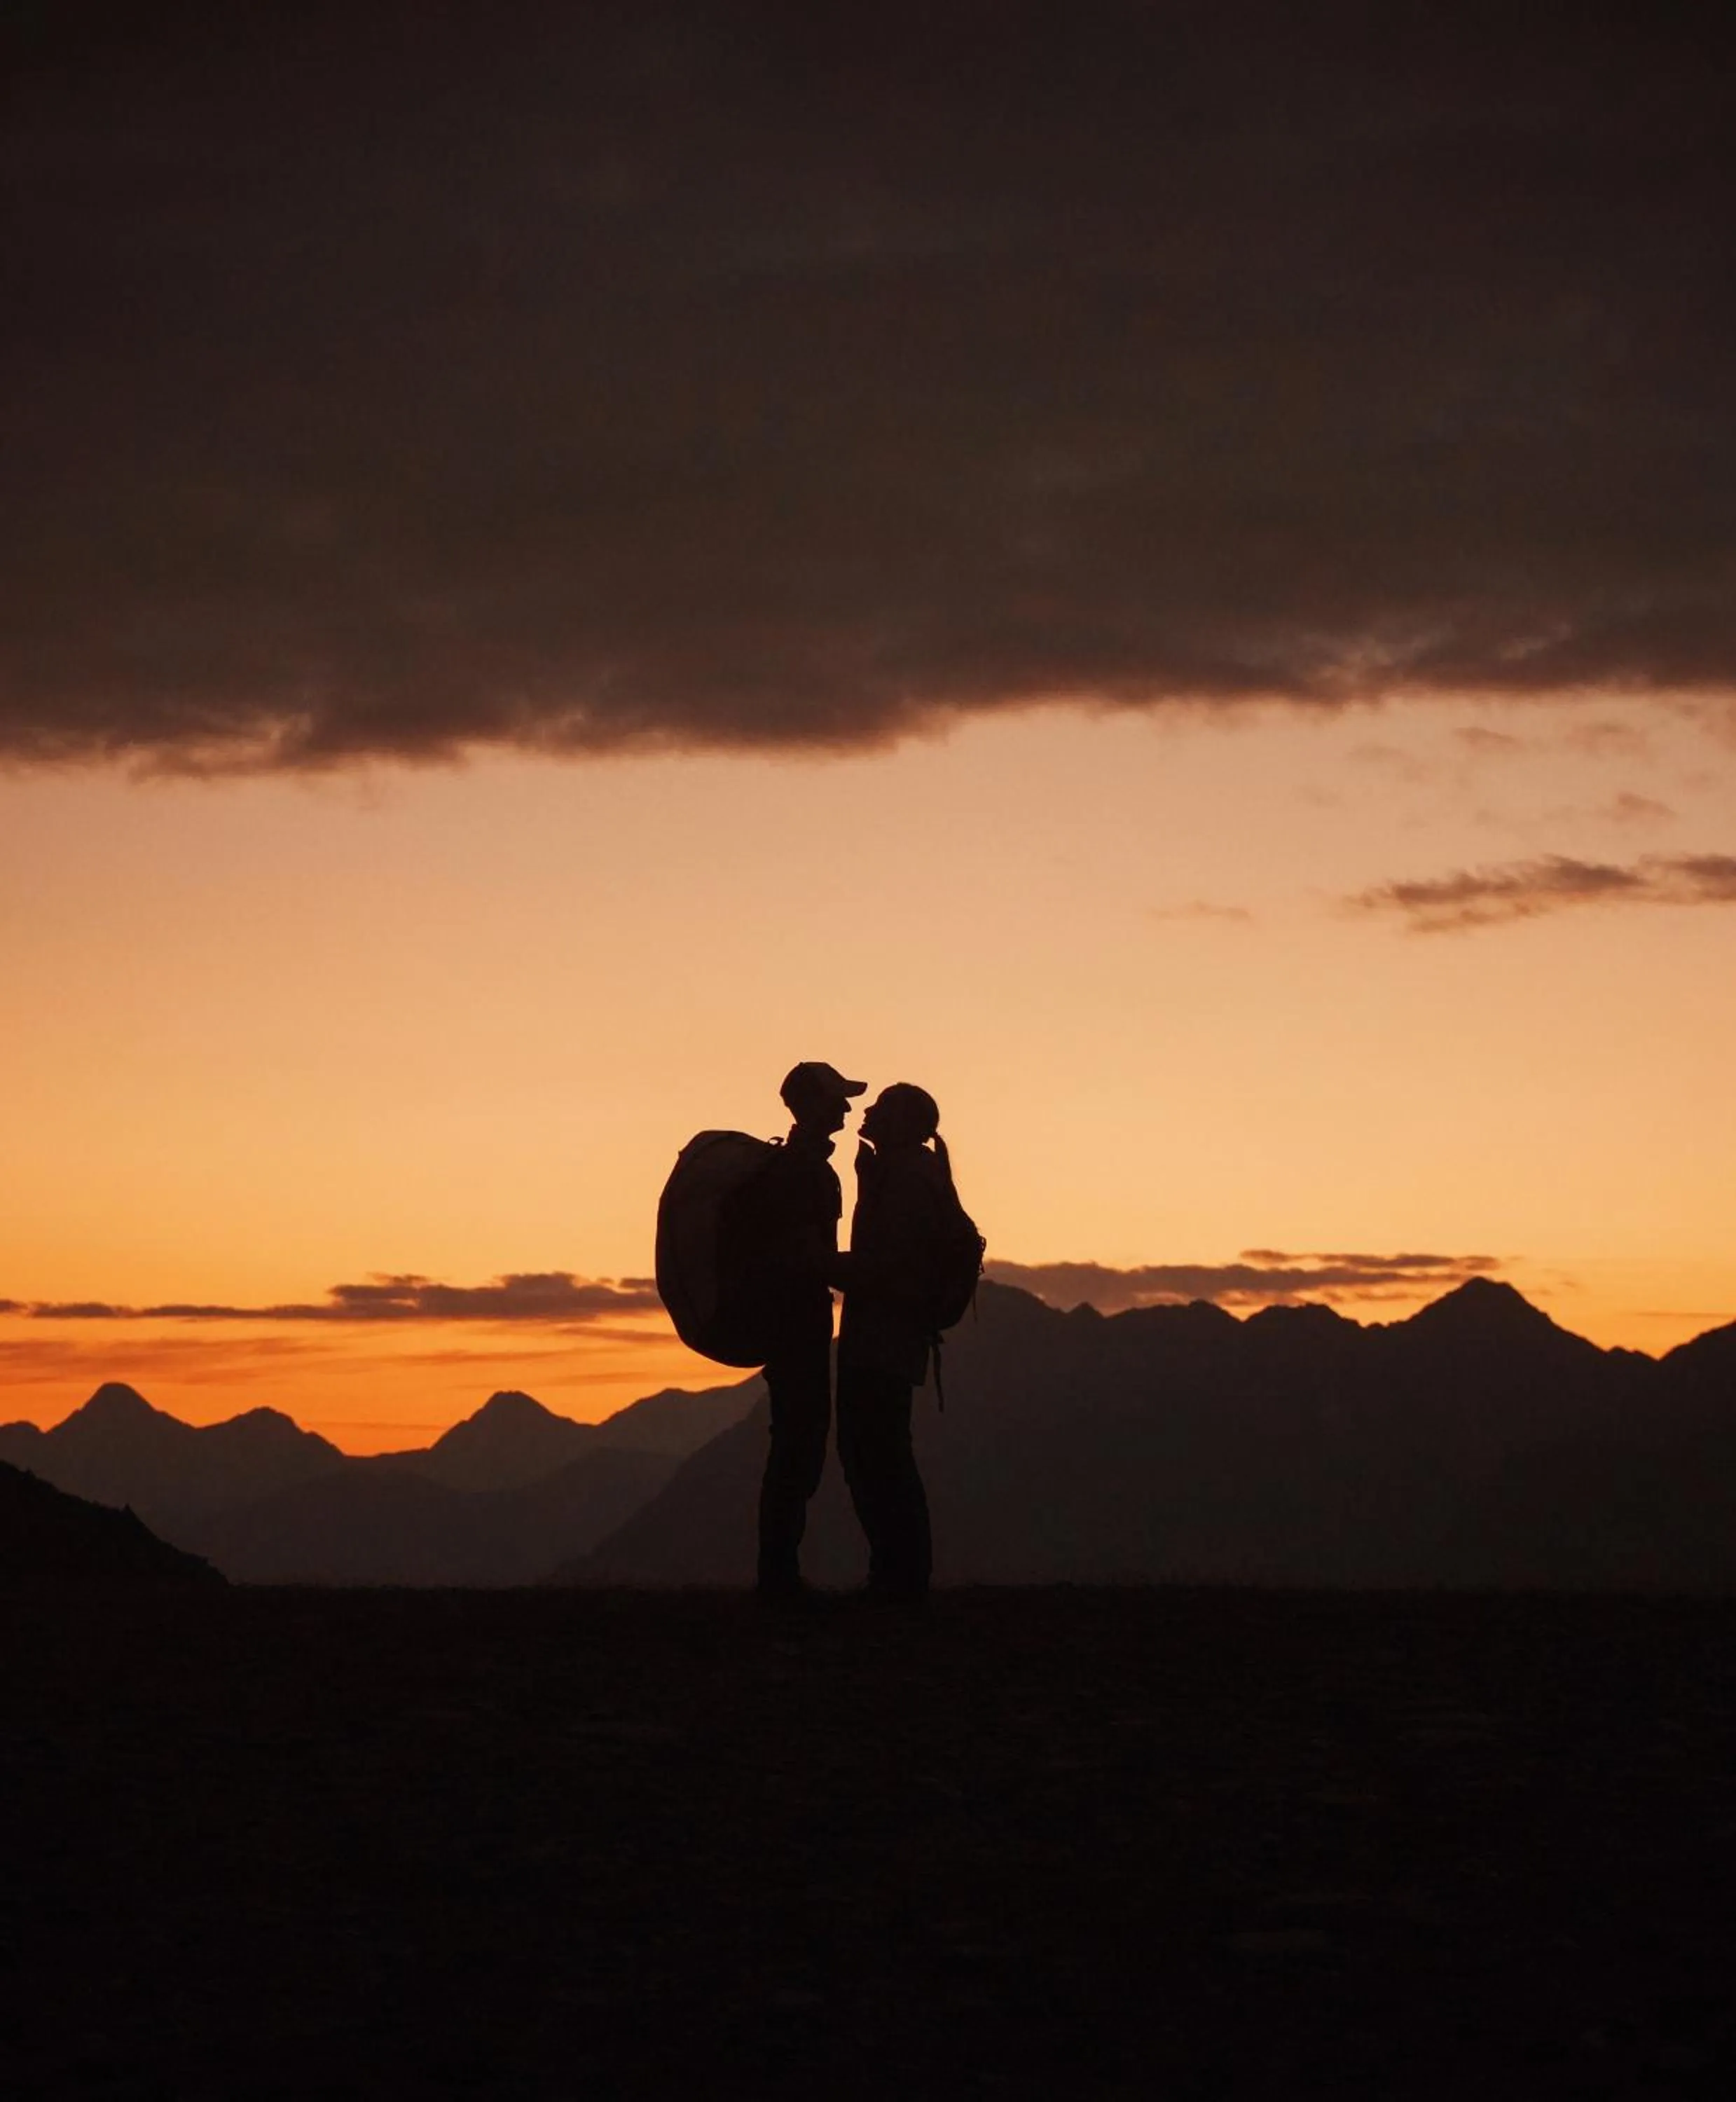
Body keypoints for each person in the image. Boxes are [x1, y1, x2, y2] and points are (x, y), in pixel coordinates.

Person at [730, 1059, 864, 1600]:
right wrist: (883, 1275)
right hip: (798, 1322)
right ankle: (779, 1578)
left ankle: (778, 1573)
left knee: (794, 1442)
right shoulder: (809, 1173)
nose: (848, 1108)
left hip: (785, 1319)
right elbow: (814, 1257)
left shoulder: (790, 1167)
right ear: (812, 1106)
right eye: (837, 1098)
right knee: (798, 1446)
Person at [835, 1082, 956, 1601]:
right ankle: (898, 1574)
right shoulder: (908, 1174)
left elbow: (886, 1267)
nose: (868, 1112)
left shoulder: (906, 1180)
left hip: (883, 1337)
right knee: (881, 1451)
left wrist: (816, 1264)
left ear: (904, 1124)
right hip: (888, 1336)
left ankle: (899, 1578)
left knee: (875, 1452)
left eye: (882, 1107)